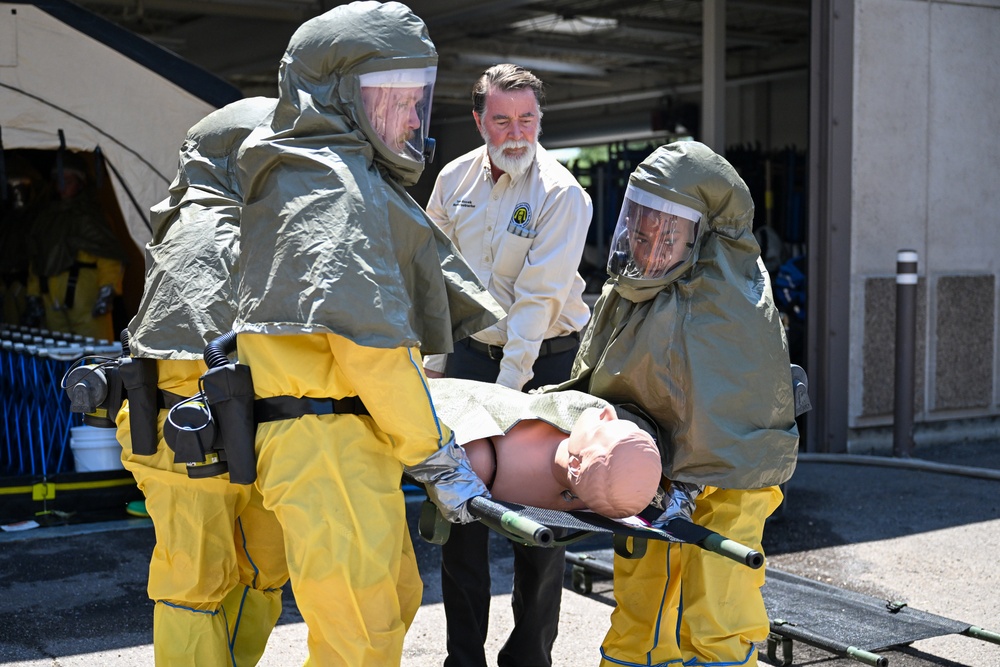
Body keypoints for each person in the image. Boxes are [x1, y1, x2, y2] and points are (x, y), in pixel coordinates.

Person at [232, 3, 502, 665]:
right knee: (361, 634)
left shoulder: (318, 177)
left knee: (388, 605)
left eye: (420, 100)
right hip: (328, 449)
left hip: (348, 446)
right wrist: (439, 458)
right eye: (399, 100)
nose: (414, 119)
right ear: (340, 96)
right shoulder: (332, 189)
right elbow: (372, 351)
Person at [556, 141, 800, 666]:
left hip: (728, 485)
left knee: (718, 613)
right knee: (642, 609)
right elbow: (599, 382)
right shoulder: (629, 292)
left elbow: (736, 411)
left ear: (703, 232)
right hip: (651, 482)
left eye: (664, 232)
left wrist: (684, 479)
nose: (647, 244)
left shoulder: (733, 305)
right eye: (639, 228)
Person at [423, 63, 593, 667]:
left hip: (545, 363)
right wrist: (437, 365)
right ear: (479, 121)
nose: (516, 132)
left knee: (541, 521)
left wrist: (503, 400)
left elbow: (536, 303)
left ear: (540, 119)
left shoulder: (562, 193)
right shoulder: (452, 178)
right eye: (502, 119)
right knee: (461, 512)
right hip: (470, 354)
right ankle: (462, 658)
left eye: (527, 119)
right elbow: (433, 276)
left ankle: (529, 659)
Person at [116, 97, 289, 667]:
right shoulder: (200, 231)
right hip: (189, 441)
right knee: (193, 580)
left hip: (253, 433)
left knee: (263, 568)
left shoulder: (266, 224)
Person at [429, 377, 661, 519]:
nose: (608, 413)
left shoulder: (483, 460)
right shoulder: (580, 497)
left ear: (575, 464)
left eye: (602, 427)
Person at [25, 151, 126, 341]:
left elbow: (108, 254)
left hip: (86, 299)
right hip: (51, 297)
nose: (61, 187)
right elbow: (37, 255)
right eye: (58, 181)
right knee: (58, 353)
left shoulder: (92, 217)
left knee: (95, 354)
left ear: (81, 182)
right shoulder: (47, 219)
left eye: (67, 181)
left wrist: (108, 289)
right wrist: (33, 293)